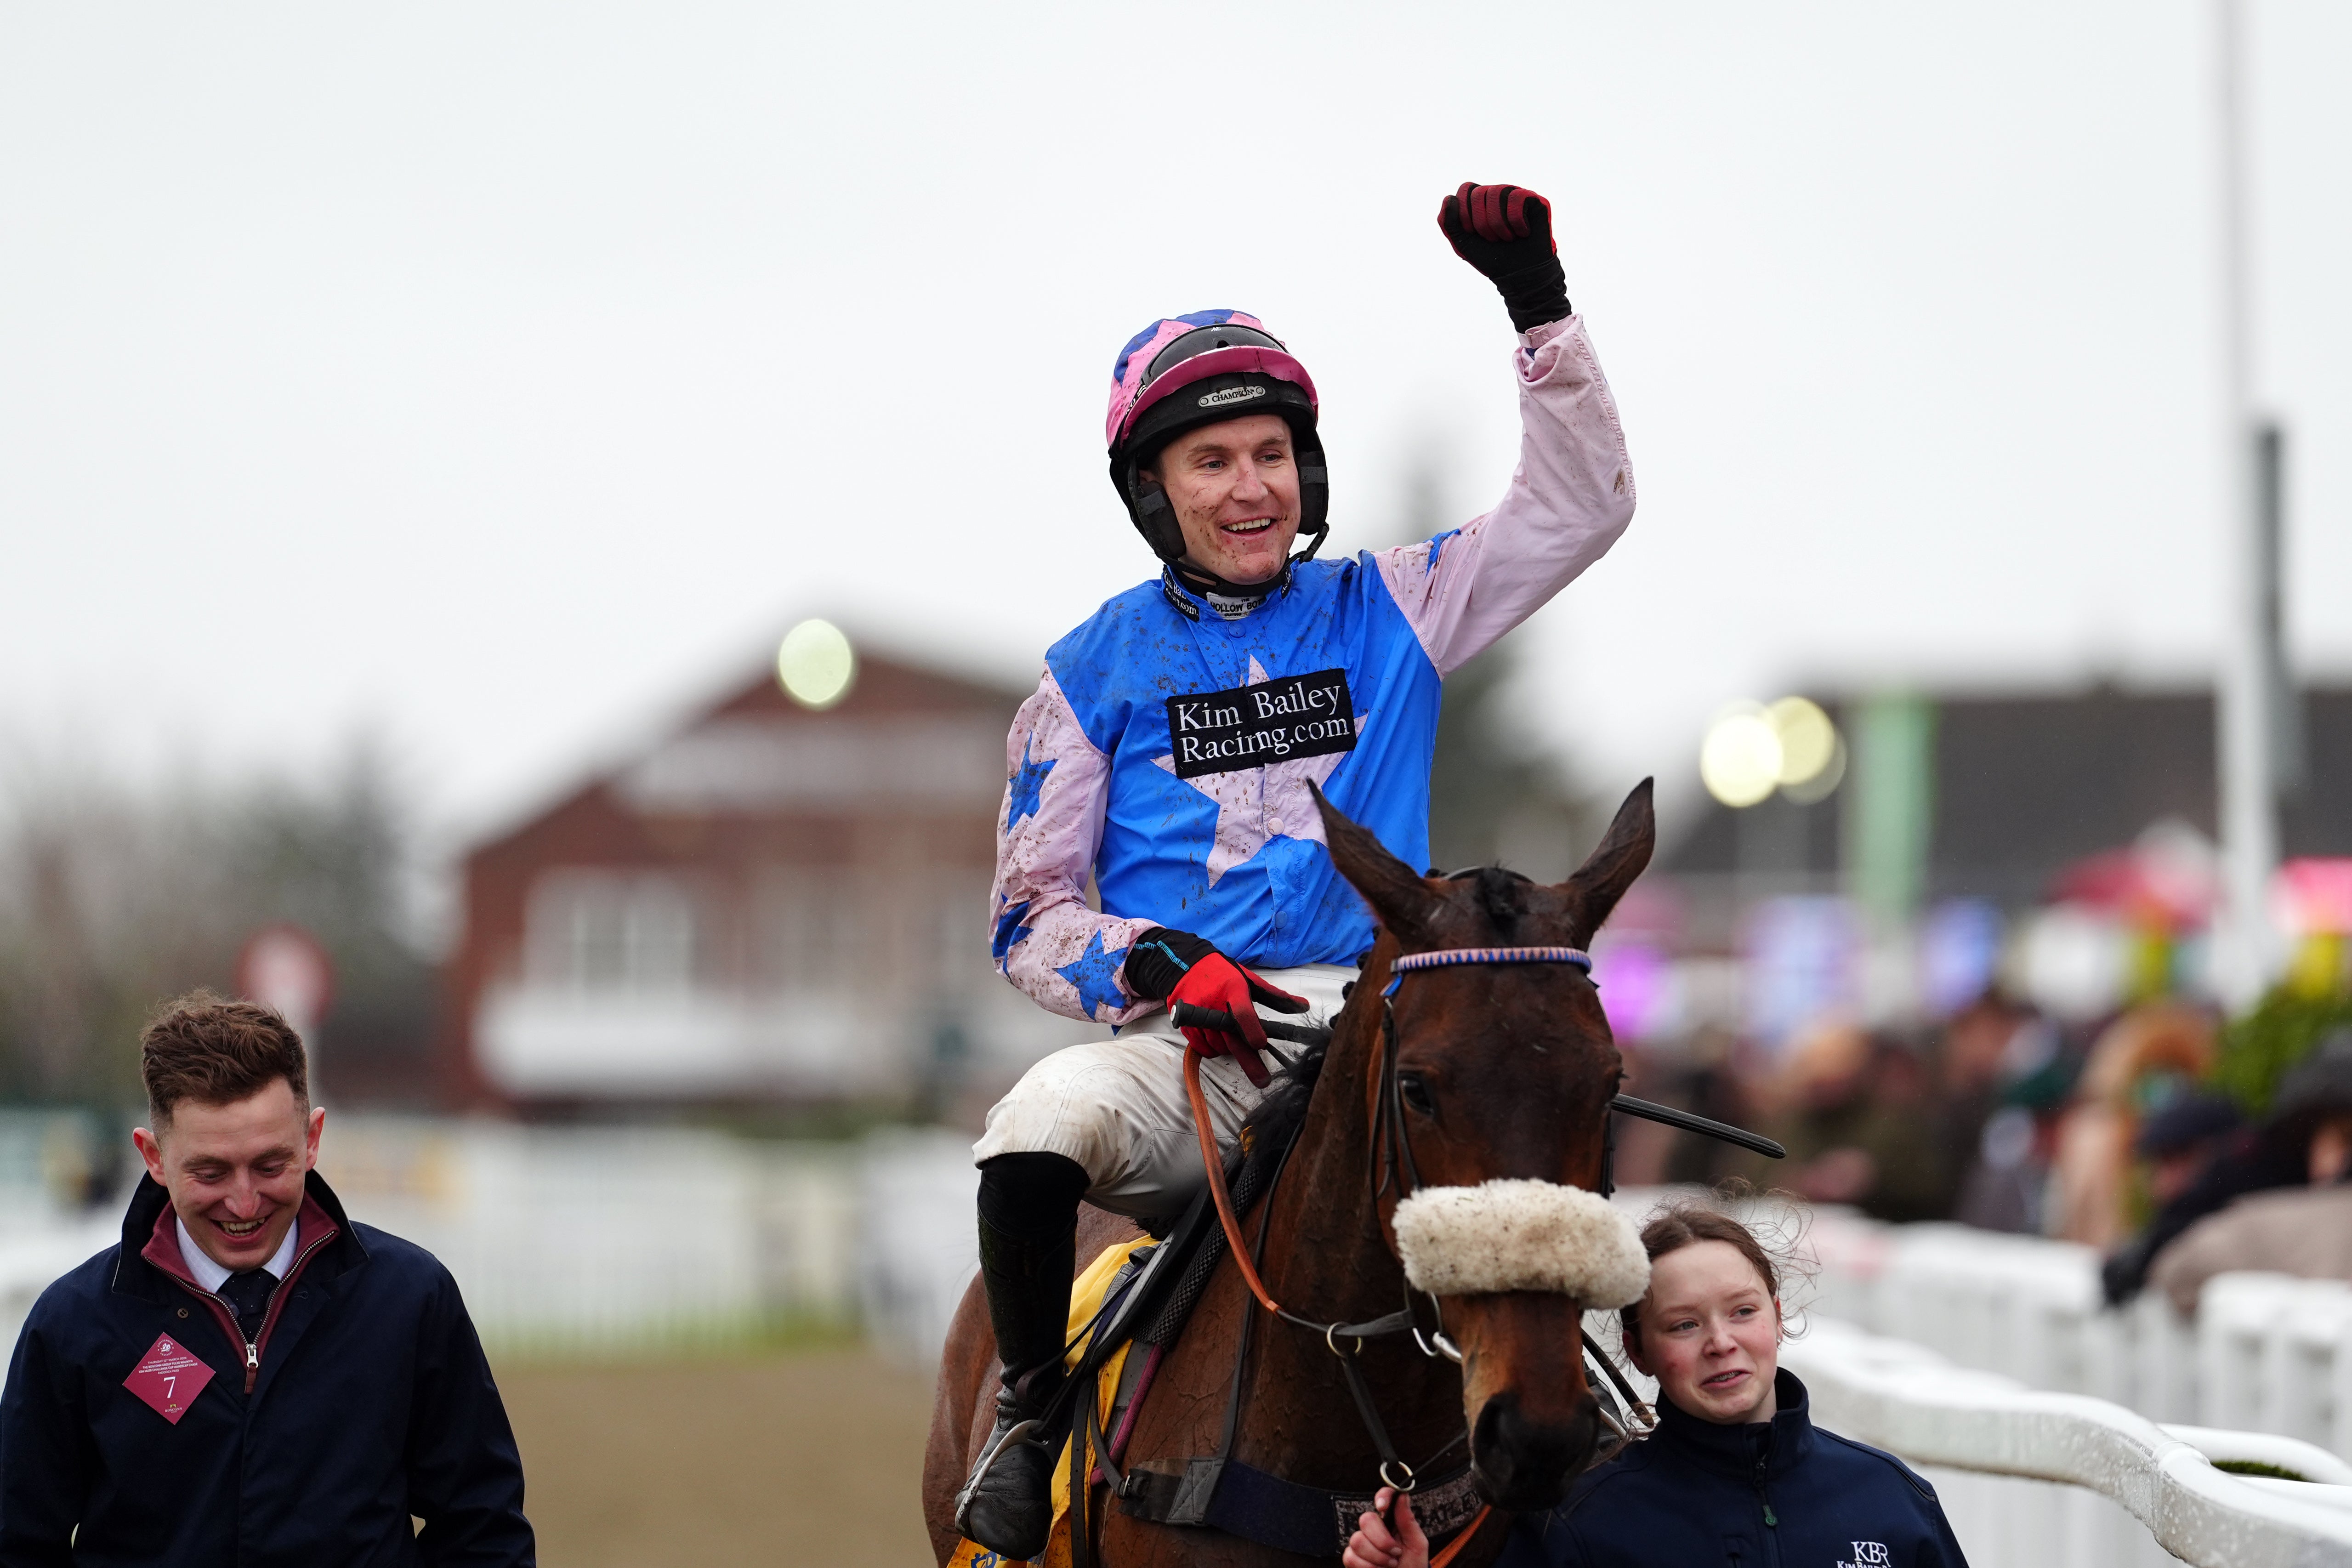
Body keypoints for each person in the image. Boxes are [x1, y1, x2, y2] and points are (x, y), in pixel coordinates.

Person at [955, 180, 1638, 1557]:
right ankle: (1031, 1413)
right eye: (1210, 464)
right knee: (1031, 1135)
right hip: (1185, 1043)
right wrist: (1152, 962)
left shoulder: (1397, 602)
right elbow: (1030, 917)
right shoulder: (1082, 677)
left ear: (1303, 473)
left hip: (1376, 1020)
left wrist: (1538, 311)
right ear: (1155, 490)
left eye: (1269, 454)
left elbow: (1580, 510)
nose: (1248, 487)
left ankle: (1596, 1420)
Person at [0, 991, 533, 1566]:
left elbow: (484, 1527)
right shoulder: (75, 1322)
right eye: (210, 1170)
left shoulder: (410, 1298)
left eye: (270, 1165)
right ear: (153, 1156)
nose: (244, 1199)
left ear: (312, 1139)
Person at [1343, 1202, 1969, 1568]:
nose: (1719, 1341)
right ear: (1639, 1352)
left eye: (1742, 1312)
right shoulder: (1580, 1523)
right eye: (1683, 1324)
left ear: (1778, 1319)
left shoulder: (1891, 1500)